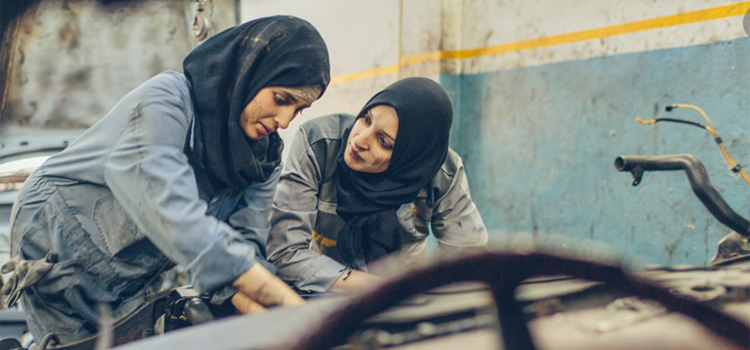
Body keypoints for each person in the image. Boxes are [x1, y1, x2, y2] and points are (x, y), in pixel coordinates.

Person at [2, 16, 330, 343]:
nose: (285, 121)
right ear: (247, 73)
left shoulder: (264, 160)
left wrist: (282, 324)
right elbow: (170, 208)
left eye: (298, 109)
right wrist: (288, 304)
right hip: (58, 236)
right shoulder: (167, 100)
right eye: (281, 99)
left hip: (131, 268)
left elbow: (244, 247)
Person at [267, 77, 488, 294]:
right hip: (327, 290)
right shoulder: (318, 145)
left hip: (404, 299)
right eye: (366, 118)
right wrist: (383, 290)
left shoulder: (441, 173)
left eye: (383, 142)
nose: (359, 140)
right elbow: (285, 253)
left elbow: (470, 261)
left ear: (410, 160)